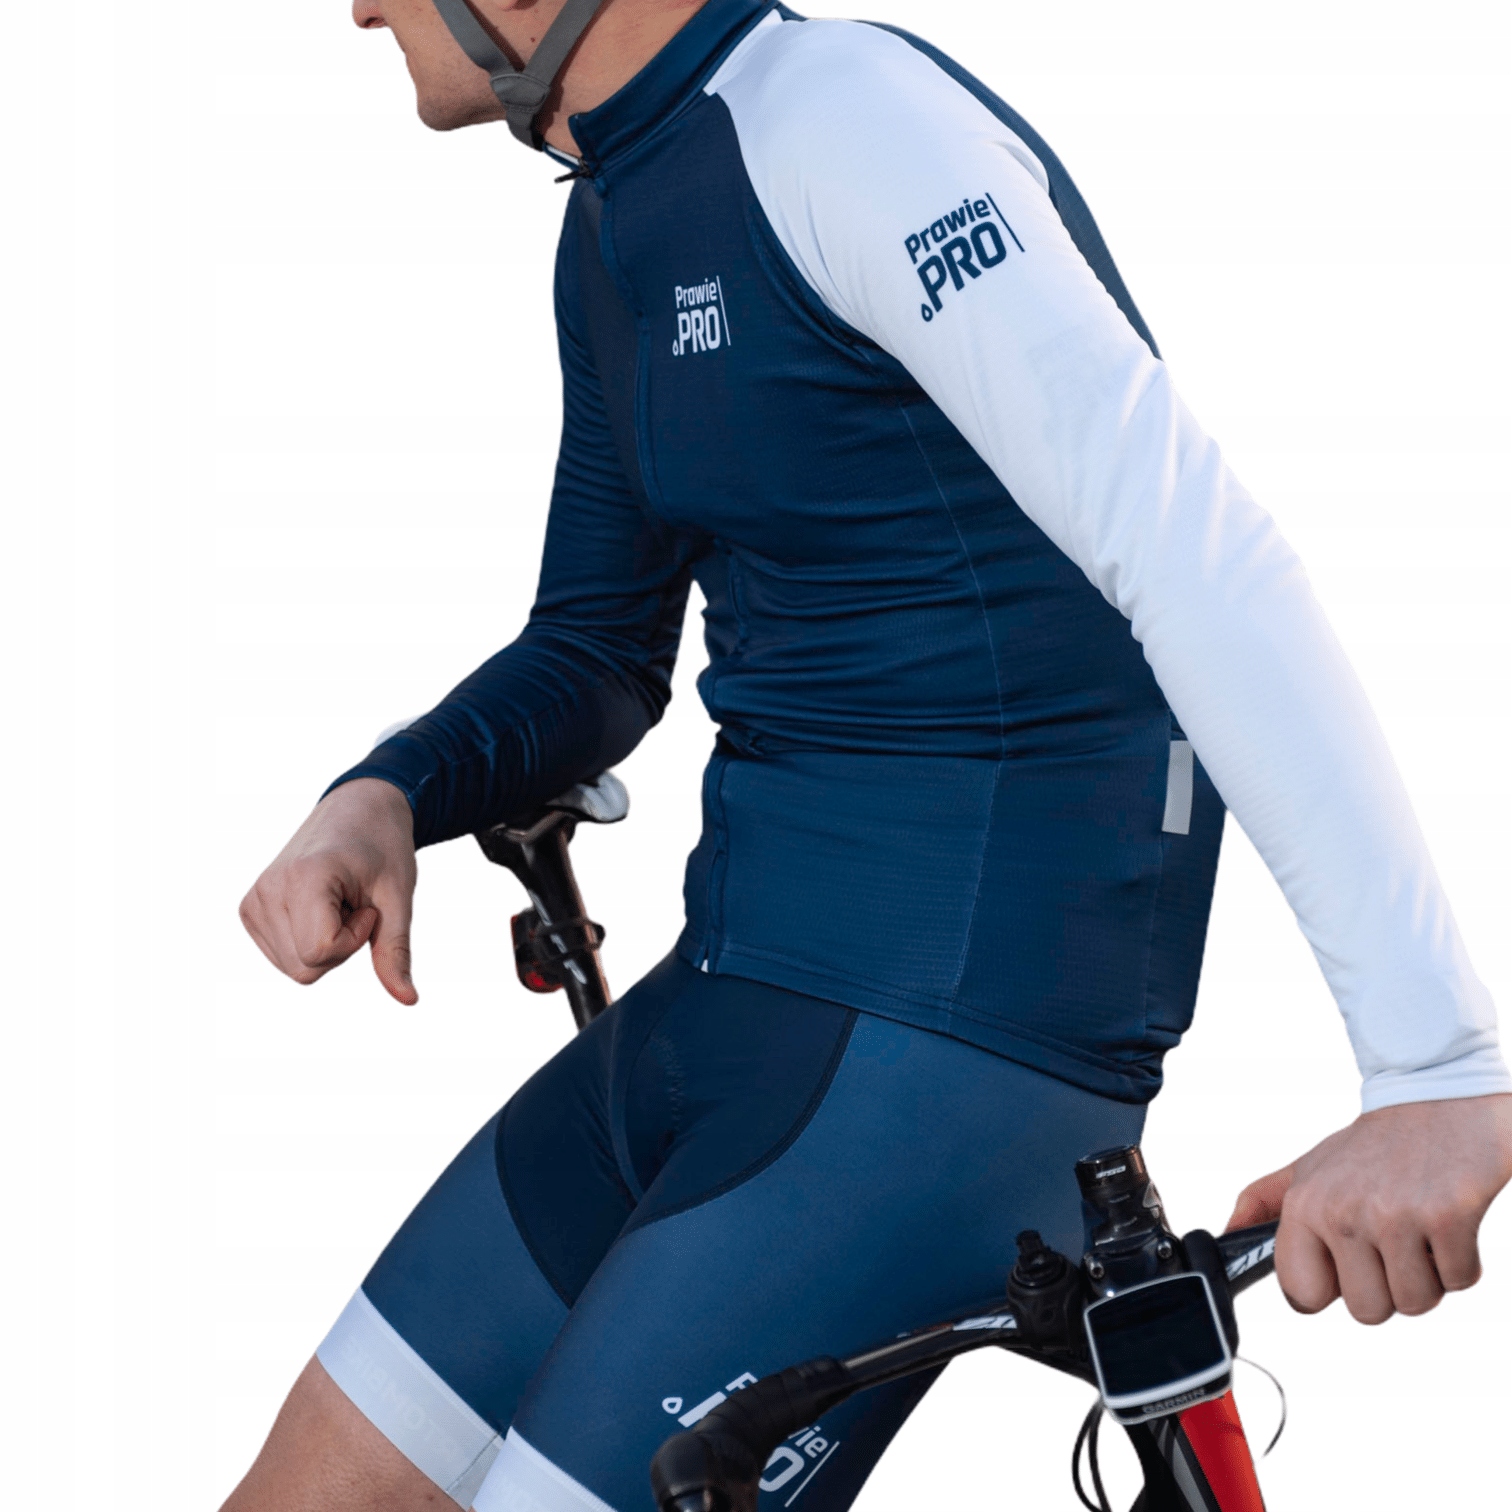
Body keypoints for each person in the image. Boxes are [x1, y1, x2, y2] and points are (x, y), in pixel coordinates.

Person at [228, 3, 1512, 1510]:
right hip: (733, 996)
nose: (361, 6)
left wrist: (1435, 1067)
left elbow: (1190, 548)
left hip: (956, 1041)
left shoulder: (844, 123)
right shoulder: (619, 216)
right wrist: (390, 791)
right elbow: (596, 641)